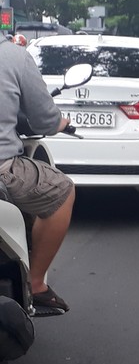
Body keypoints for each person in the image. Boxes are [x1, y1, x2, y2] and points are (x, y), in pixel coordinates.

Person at [0, 39, 74, 315]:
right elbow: (46, 120)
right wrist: (61, 123)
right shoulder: (13, 56)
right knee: (63, 190)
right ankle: (36, 284)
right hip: (3, 167)